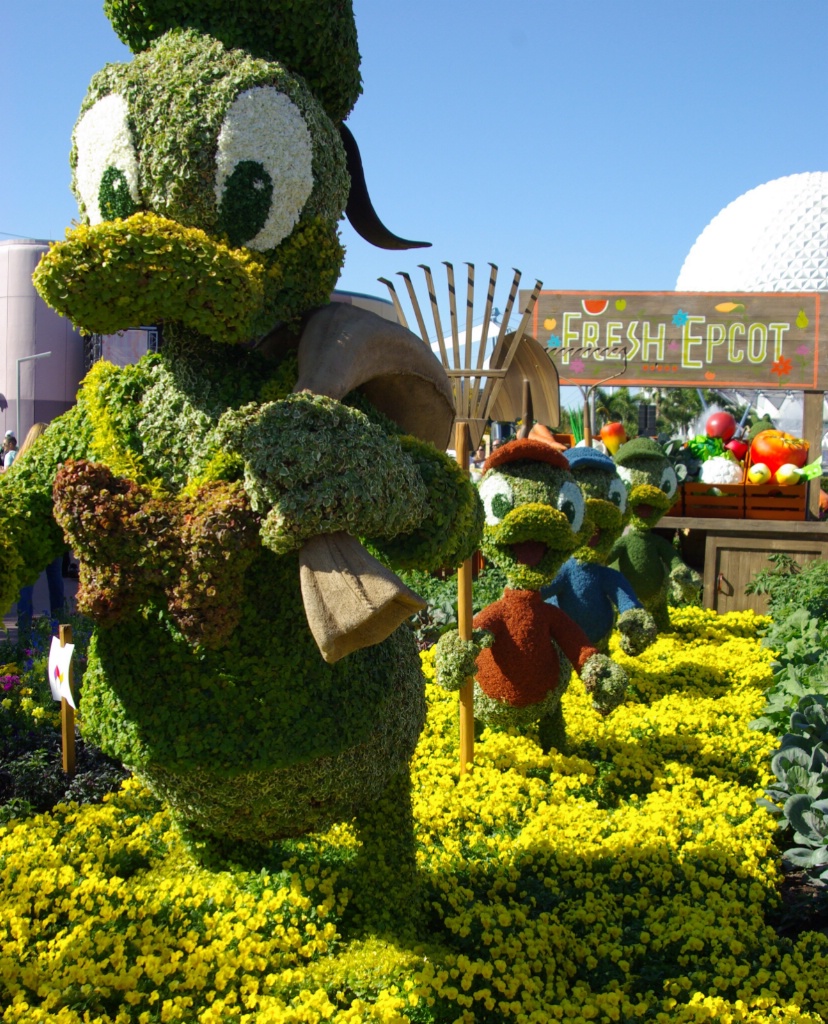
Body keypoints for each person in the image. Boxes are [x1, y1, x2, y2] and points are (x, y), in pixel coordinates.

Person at [10, 423, 66, 635]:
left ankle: (25, 637)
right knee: (56, 582)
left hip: (28, 534)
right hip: (51, 533)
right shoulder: (53, 466)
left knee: (26, 586)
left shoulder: (19, 465)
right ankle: (62, 631)